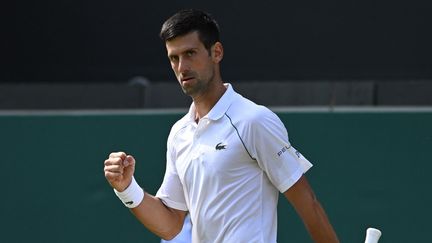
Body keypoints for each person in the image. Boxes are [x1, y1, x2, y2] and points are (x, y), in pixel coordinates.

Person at [104, 9, 339, 243]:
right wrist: (127, 189)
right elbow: (171, 225)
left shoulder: (254, 121)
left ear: (216, 52)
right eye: (174, 58)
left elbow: (308, 205)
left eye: (190, 53)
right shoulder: (179, 133)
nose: (182, 67)